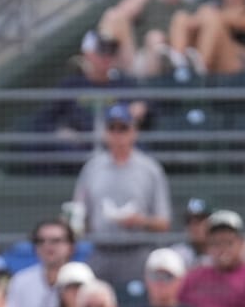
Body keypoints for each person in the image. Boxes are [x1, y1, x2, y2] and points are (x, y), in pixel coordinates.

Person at [72, 107, 171, 286]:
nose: (118, 135)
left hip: (137, 253)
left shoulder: (150, 169)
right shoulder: (92, 167)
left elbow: (164, 222)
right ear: (105, 133)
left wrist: (140, 221)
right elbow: (78, 213)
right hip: (100, 253)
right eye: (112, 129)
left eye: (123, 128)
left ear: (134, 132)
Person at [95, 0, 193, 78]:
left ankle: (147, 87)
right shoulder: (148, 2)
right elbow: (119, 13)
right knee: (112, 16)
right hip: (137, 60)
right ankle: (102, 65)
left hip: (169, 63)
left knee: (154, 37)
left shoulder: (190, 8)